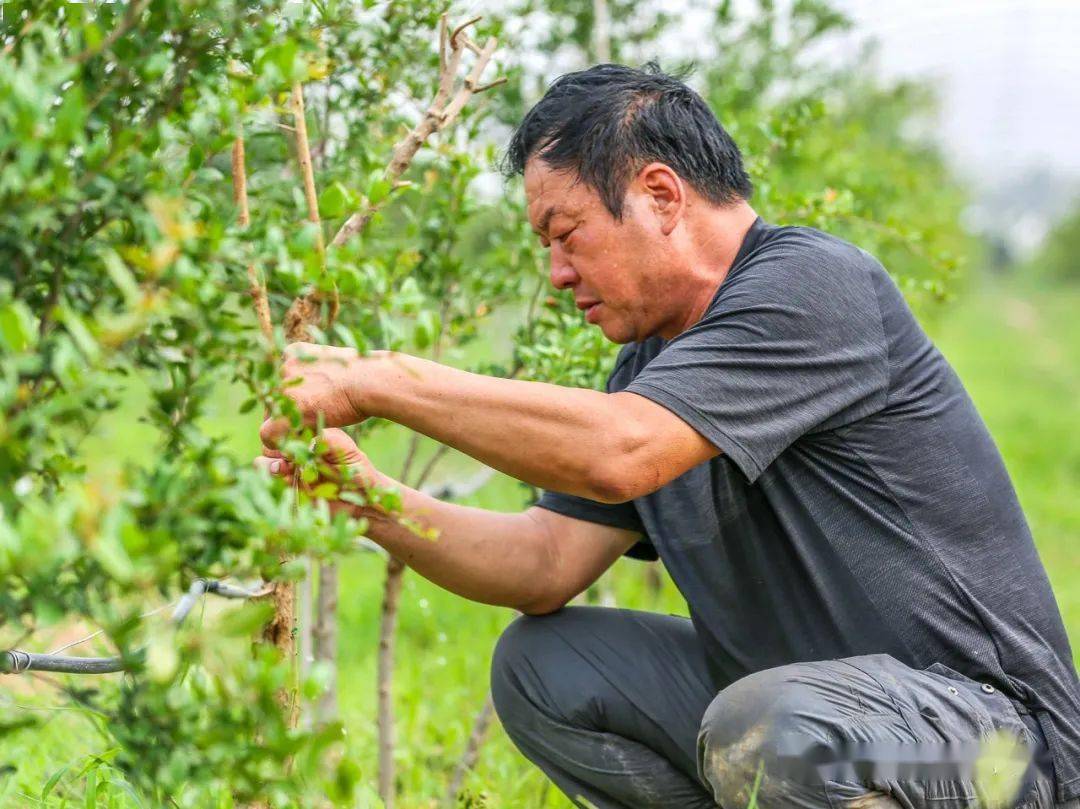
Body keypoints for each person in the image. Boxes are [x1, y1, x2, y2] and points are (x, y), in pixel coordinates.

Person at [254, 64, 1080, 809]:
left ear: (660, 195)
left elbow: (620, 450)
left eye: (566, 233)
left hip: (998, 749)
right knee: (545, 665)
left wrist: (382, 379)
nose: (557, 273)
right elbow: (542, 563)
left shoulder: (813, 286)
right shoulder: (653, 369)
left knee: (773, 729)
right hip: (804, 725)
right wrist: (362, 498)